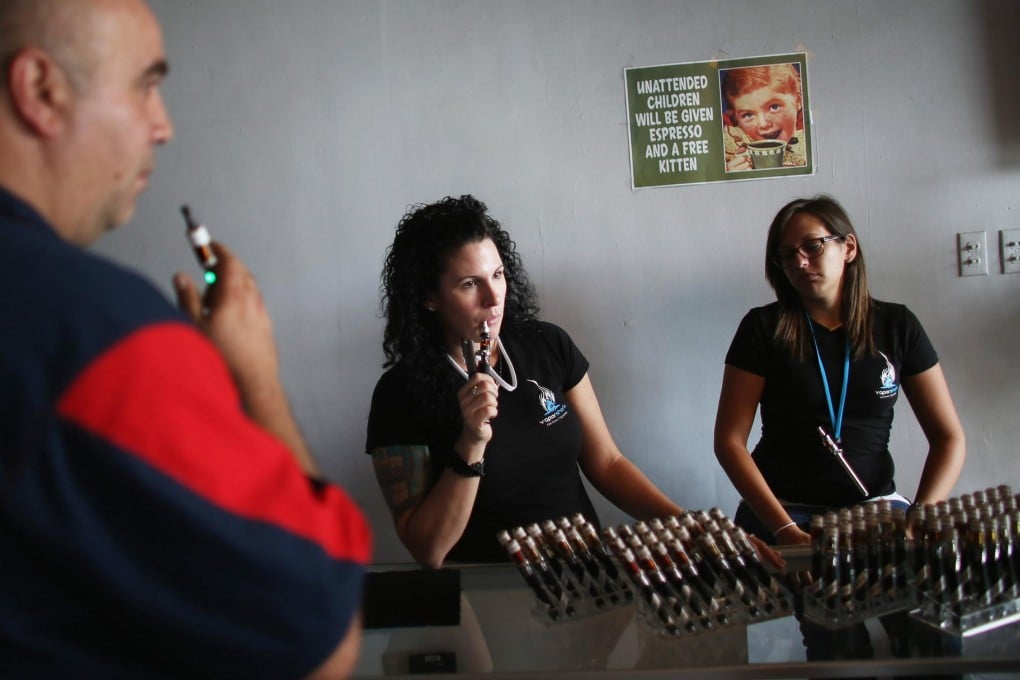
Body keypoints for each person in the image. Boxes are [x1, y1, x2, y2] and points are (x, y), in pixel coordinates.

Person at [0, 1, 370, 677]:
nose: (163, 126)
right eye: (146, 83)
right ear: (41, 92)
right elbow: (321, 634)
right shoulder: (99, 332)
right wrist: (255, 377)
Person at [365, 195, 686, 568]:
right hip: (493, 599)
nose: (493, 298)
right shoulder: (400, 394)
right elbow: (428, 549)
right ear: (429, 297)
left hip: (588, 581)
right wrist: (471, 442)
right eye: (469, 284)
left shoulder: (547, 344)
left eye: (498, 275)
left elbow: (608, 464)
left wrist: (687, 526)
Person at [713, 195, 966, 546]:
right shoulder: (762, 328)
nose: (800, 262)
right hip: (784, 511)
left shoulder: (897, 325)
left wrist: (918, 519)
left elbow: (948, 438)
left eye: (813, 246)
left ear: (848, 248)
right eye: (788, 254)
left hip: (874, 509)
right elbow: (729, 442)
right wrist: (784, 529)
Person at [721, 63, 808, 172]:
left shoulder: (811, 138)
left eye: (774, 107)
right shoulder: (730, 142)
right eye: (748, 115)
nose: (763, 124)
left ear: (798, 101)